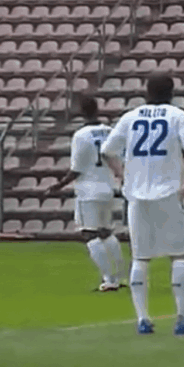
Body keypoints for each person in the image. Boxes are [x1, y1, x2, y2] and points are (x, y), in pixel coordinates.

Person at [101, 76, 184, 336]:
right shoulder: (179, 115)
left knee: (140, 257)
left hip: (137, 195)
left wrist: (122, 173)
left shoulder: (130, 117)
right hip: (170, 192)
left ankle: (143, 320)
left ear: (146, 92)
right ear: (172, 92)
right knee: (179, 256)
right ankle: (182, 320)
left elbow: (107, 151)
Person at [45, 96, 129, 292]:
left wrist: (58, 185)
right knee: (106, 232)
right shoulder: (109, 131)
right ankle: (120, 275)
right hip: (108, 188)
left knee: (89, 234)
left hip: (88, 191)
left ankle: (109, 279)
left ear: (81, 111)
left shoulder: (81, 135)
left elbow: (77, 169)